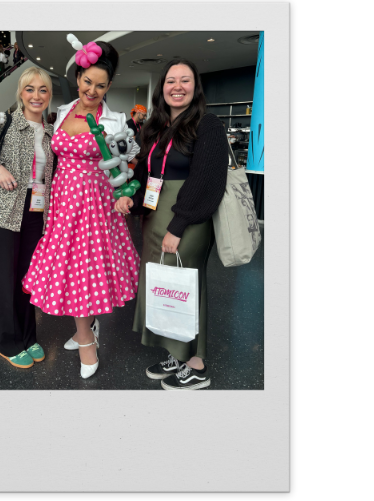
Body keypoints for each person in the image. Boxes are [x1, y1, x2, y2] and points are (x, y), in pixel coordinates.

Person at [22, 39, 141, 379]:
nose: (92, 90)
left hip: (96, 204)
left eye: (100, 85)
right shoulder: (63, 112)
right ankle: (83, 330)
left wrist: (124, 192)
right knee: (71, 266)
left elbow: (126, 162)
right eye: (87, 82)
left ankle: (87, 340)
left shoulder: (117, 121)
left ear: (109, 86)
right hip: (63, 203)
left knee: (86, 269)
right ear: (78, 78)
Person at [115, 58, 228, 390]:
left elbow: (205, 180)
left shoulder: (208, 125)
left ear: (196, 87)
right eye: (170, 81)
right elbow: (146, 174)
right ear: (161, 88)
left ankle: (197, 363)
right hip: (154, 216)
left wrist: (178, 226)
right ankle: (177, 354)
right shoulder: (155, 126)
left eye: (185, 80)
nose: (177, 86)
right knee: (164, 285)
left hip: (187, 218)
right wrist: (131, 199)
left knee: (186, 283)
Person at [0, 67, 56, 369]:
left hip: (35, 213)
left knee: (27, 281)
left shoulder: (50, 133)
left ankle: (29, 337)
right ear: (20, 92)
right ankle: (8, 342)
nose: (36, 96)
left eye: (42, 90)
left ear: (49, 96)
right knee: (4, 280)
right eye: (30, 89)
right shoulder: (3, 123)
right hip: (2, 213)